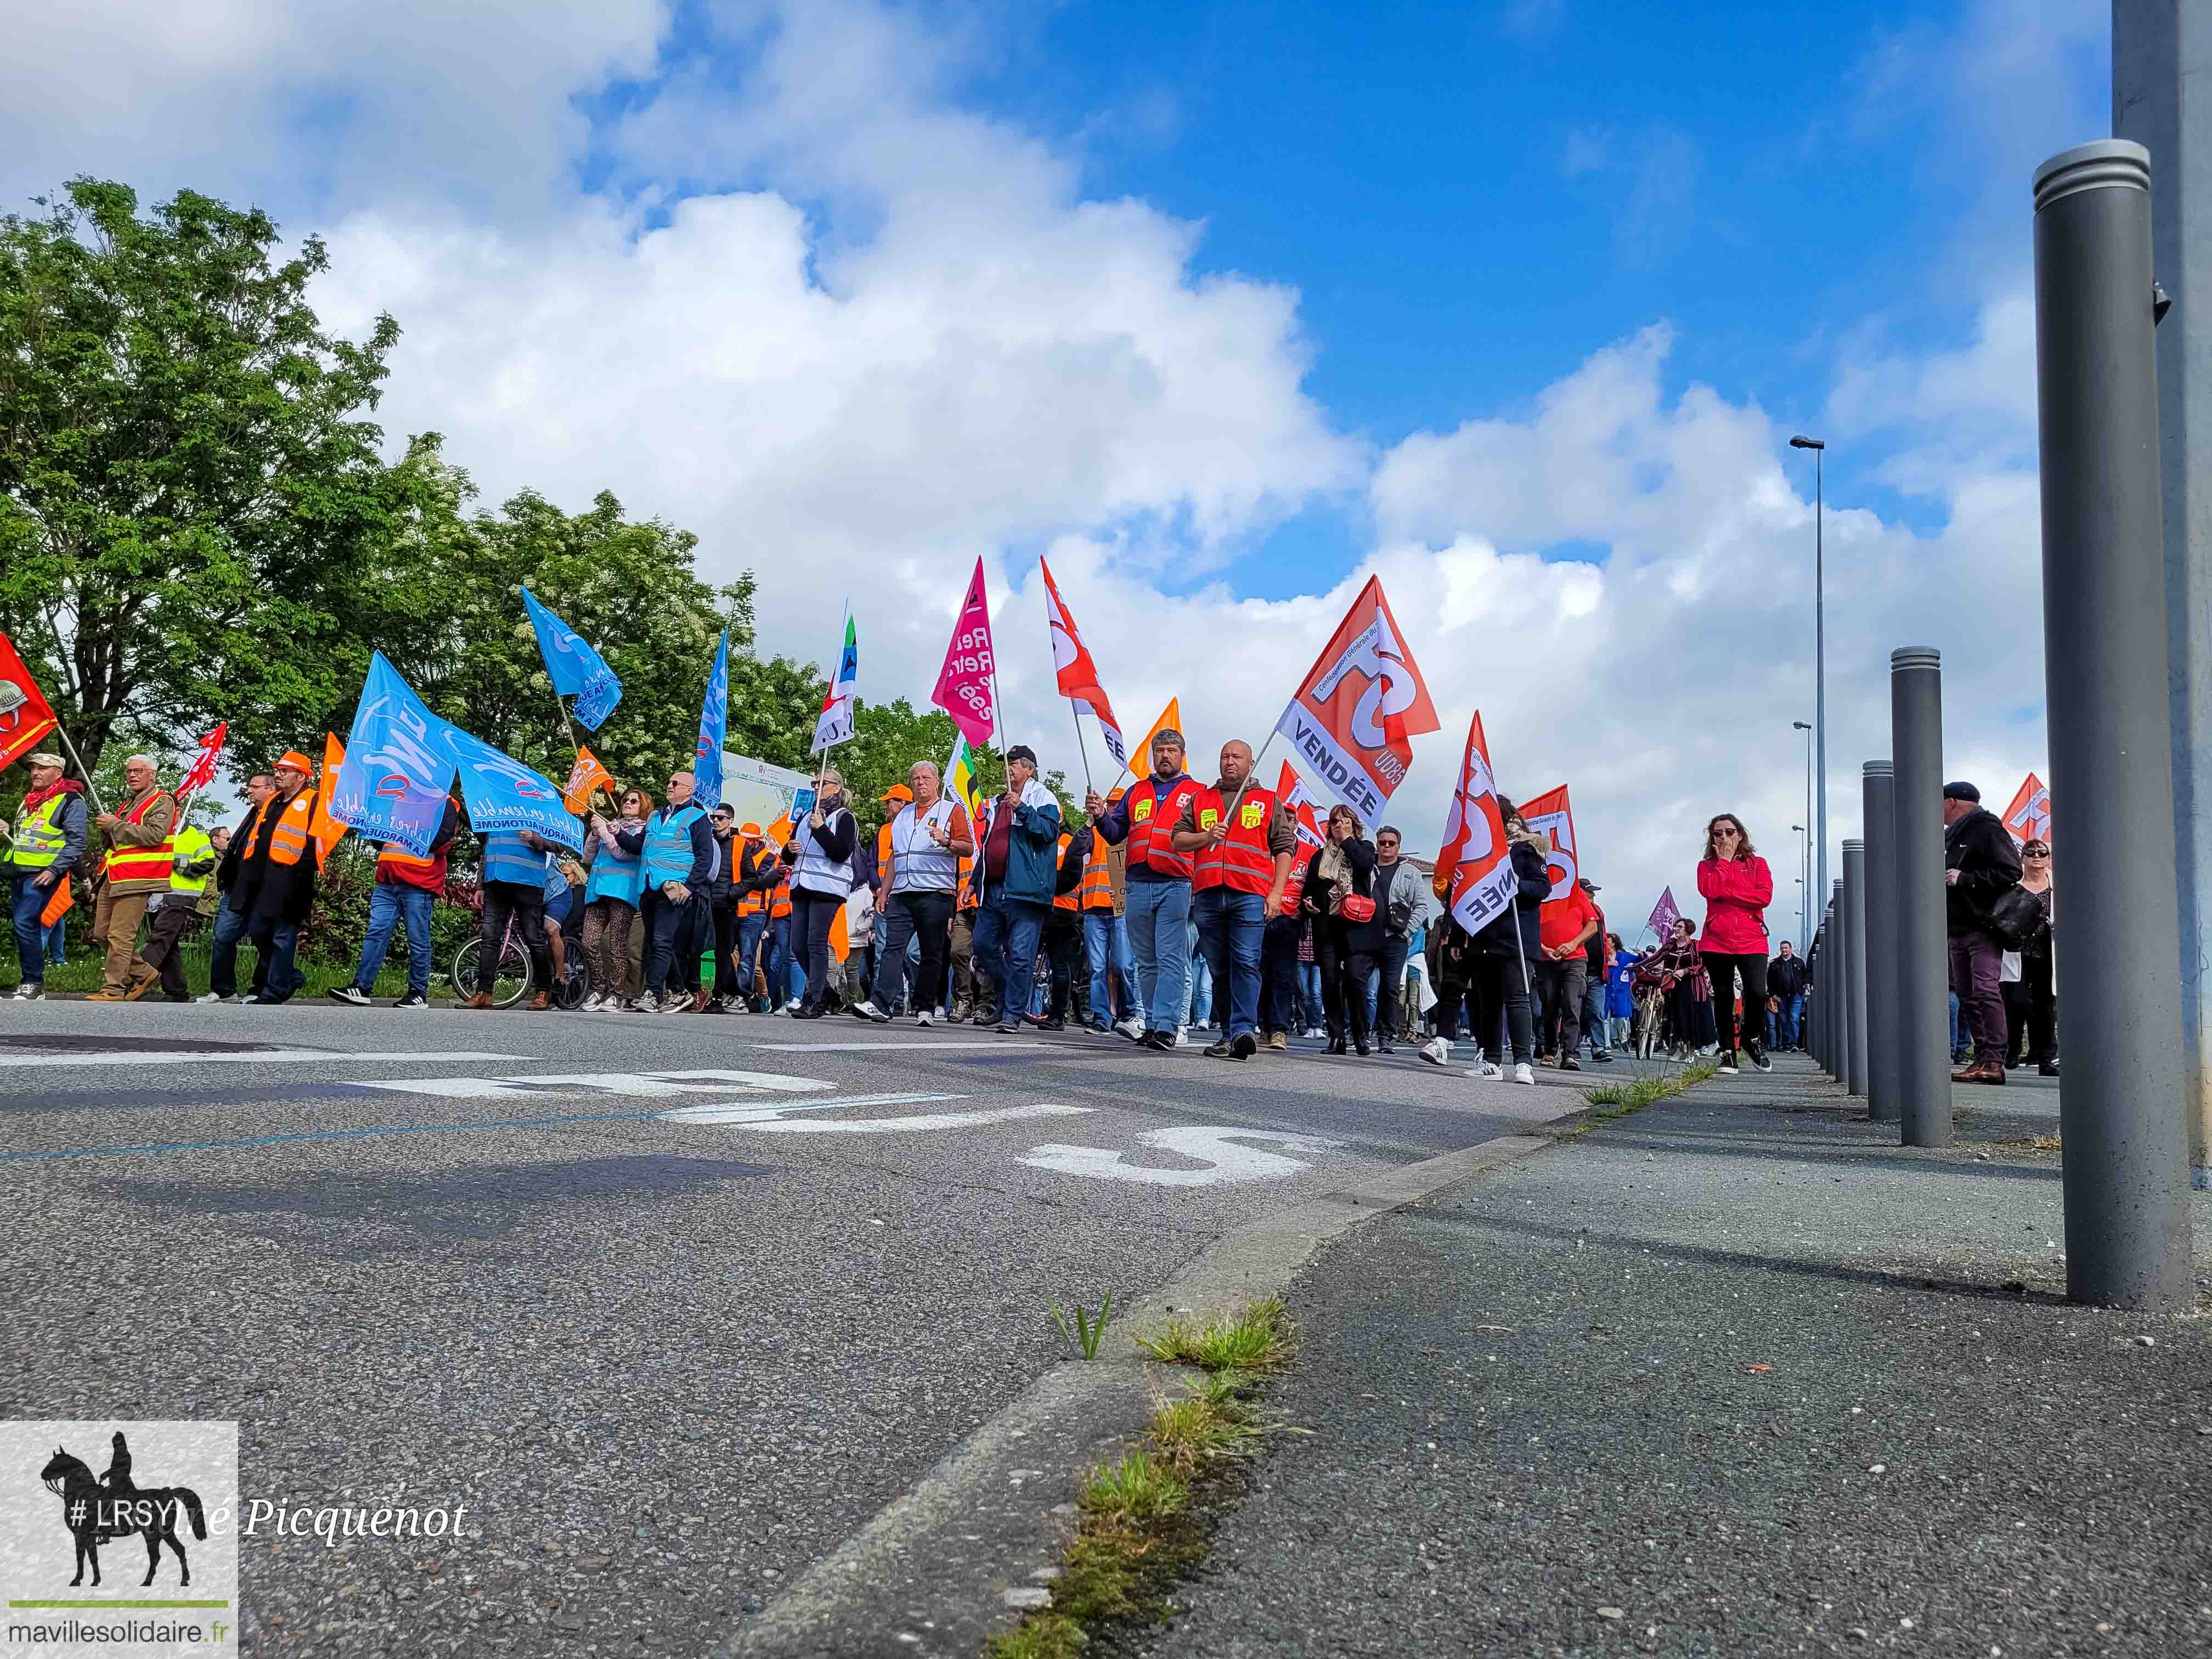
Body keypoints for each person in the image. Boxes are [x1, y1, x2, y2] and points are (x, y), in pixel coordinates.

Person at [1174, 740, 1296, 1060]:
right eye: (1224, 756)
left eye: (1236, 757)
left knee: (1245, 961)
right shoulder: (1202, 799)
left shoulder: (1268, 800)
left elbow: (1285, 848)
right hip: (1209, 896)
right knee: (1218, 967)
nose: (1229, 762)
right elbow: (1178, 840)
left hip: (1250, 895)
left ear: (1250, 764)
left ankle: (1243, 1029)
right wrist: (1206, 836)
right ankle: (1228, 1035)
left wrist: (1277, 893)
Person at [1086, 726, 1204, 1049]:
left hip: (1176, 884)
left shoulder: (1197, 792)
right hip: (1137, 884)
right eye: (1160, 750)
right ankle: (1152, 1023)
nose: (1165, 756)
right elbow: (1114, 833)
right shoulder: (1136, 791)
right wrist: (1099, 816)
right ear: (1153, 755)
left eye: (1172, 750)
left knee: (1170, 959)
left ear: (1182, 755)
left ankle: (1168, 1026)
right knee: (1146, 961)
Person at [1424, 795, 1549, 1082]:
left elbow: (1543, 888)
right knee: (1488, 1001)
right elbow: (1461, 897)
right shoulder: (1478, 852)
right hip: (1482, 936)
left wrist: (1517, 884)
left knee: (1517, 998)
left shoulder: (1527, 847)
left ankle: (1523, 1064)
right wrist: (1456, 937)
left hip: (1515, 936)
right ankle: (1492, 1061)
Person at [856, 760, 972, 1026]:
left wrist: (948, 842)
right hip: (901, 893)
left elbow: (967, 848)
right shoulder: (904, 816)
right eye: (916, 779)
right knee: (891, 949)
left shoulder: (951, 811)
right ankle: (881, 1004)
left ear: (937, 782)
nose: (921, 782)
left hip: (936, 893)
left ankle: (926, 1008)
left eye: (926, 778)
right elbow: (896, 857)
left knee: (931, 952)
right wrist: (883, 893)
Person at [330, 789, 461, 1009]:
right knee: (376, 933)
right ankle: (361, 988)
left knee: (418, 939)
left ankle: (418, 993)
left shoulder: (445, 802)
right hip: (388, 881)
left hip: (420, 881)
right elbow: (378, 840)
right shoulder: (394, 798)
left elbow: (443, 841)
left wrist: (404, 831)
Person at [970, 746, 1063, 1036]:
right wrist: (974, 881)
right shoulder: (998, 803)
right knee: (983, 946)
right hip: (994, 887)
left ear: (1030, 769)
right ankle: (1009, 998)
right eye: (1006, 764)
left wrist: (1022, 808)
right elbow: (989, 846)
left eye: (1014, 764)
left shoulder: (1044, 797)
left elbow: (1048, 832)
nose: (1008, 769)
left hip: (1026, 891)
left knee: (1021, 955)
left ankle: (1011, 1014)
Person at [611, 771, 714, 1014]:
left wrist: (689, 887)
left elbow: (705, 857)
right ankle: (679, 992)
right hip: (648, 887)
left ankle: (654, 993)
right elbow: (640, 847)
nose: (669, 785)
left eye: (675, 783)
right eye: (669, 782)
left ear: (689, 790)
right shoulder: (656, 815)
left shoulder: (697, 817)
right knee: (657, 943)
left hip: (674, 889)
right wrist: (619, 834)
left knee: (661, 941)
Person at [1943, 781, 2023, 1085]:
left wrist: (1966, 878)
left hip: (1983, 925)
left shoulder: (1986, 827)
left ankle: (1993, 1059)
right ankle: (1981, 1059)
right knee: (1967, 993)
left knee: (1984, 990)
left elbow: (2011, 871)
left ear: (1952, 802)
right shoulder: (1954, 834)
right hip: (1959, 925)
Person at [85, 753, 178, 1001]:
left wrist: (115, 825)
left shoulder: (162, 801)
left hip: (139, 876)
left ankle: (114, 989)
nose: (132, 775)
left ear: (153, 775)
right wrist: (108, 829)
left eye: (138, 771)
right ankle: (144, 972)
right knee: (101, 933)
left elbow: (155, 836)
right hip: (114, 875)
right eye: (129, 771)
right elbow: (119, 840)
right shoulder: (129, 803)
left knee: (120, 936)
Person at [1696, 811, 1774, 1075]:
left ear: (1739, 834)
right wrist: (1725, 864)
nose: (1724, 838)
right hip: (1717, 939)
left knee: (1756, 992)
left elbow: (1763, 897)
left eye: (1729, 832)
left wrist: (1729, 892)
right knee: (1724, 995)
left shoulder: (1758, 864)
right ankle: (1728, 1051)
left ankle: (1751, 1039)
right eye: (1718, 833)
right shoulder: (1706, 866)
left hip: (1752, 937)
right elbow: (1711, 891)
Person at [6, 751, 87, 1002]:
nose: (36, 773)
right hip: (19, 873)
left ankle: (33, 982)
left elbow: (78, 842)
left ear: (58, 773)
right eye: (33, 768)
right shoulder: (32, 799)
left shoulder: (71, 801)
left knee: (25, 923)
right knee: (23, 926)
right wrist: (7, 829)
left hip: (42, 876)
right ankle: (29, 982)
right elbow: (29, 836)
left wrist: (54, 870)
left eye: (42, 768)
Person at [241, 751, 320, 1006]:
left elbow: (316, 845)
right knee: (258, 932)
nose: (278, 774)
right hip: (263, 880)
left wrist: (300, 876)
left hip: (293, 881)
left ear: (301, 776)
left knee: (283, 937)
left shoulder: (314, 801)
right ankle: (289, 976)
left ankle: (273, 991)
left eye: (285, 771)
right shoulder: (274, 801)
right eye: (277, 769)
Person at [782, 769, 859, 1019]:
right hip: (802, 886)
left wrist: (822, 829)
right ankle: (825, 991)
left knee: (816, 941)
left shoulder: (844, 818)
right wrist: (789, 849)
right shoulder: (805, 816)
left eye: (822, 783)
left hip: (827, 888)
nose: (816, 787)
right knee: (797, 944)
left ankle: (814, 997)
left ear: (836, 787)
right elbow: (790, 856)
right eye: (815, 783)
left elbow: (840, 853)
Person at [1305, 804, 1379, 1056]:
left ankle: (1360, 1034)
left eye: (1344, 822)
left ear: (1354, 825)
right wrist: (1309, 903)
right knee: (1330, 981)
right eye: (1335, 822)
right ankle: (1336, 1036)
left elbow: (1365, 865)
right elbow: (1309, 888)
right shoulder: (1319, 856)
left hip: (1356, 928)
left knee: (1355, 980)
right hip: (1327, 926)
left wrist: (1348, 840)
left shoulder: (1364, 848)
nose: (1339, 826)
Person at [463, 820, 558, 1012]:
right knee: (490, 938)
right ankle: (484, 992)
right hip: (496, 883)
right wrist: (480, 885)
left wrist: (536, 839)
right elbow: (487, 850)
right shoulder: (495, 811)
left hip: (528, 883)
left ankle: (543, 991)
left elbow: (558, 845)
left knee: (534, 938)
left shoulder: (539, 812)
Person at [201, 772, 276, 1003]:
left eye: (255, 787)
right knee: (223, 936)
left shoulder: (278, 814)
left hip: (263, 888)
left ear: (271, 789)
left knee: (263, 939)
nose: (249, 791)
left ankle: (260, 989)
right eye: (249, 787)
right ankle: (224, 991)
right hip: (237, 887)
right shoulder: (252, 814)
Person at [578, 786, 650, 1012]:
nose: (628, 803)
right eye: (626, 800)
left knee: (617, 945)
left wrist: (606, 831)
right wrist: (594, 833)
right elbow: (587, 857)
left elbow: (623, 853)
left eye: (634, 801)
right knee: (589, 941)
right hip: (597, 892)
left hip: (622, 892)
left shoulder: (643, 829)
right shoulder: (610, 826)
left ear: (644, 806)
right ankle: (598, 989)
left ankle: (616, 994)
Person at [1077, 798, 1142, 1037]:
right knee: (1096, 968)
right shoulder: (1094, 831)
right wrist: (1087, 824)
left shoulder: (1132, 836)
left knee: (1124, 964)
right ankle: (1101, 1017)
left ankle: (1128, 1014)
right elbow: (1076, 850)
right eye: (1111, 805)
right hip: (1095, 908)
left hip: (1121, 909)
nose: (1114, 810)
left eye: (1118, 805)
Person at [1532, 870, 1599, 1070]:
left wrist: (1573, 943)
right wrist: (1543, 947)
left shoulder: (1576, 893)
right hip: (1546, 958)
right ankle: (1550, 1049)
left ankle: (1570, 1053)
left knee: (1572, 1004)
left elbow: (1592, 926)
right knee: (1549, 1006)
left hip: (1575, 958)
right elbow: (1529, 924)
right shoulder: (1539, 892)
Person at [1372, 825, 1428, 1056]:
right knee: (1358, 981)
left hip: (1395, 938)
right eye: (1383, 842)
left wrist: (1407, 932)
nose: (1386, 846)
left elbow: (1422, 906)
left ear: (1398, 846)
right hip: (1367, 936)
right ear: (1377, 844)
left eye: (1391, 843)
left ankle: (1386, 1035)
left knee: (1390, 988)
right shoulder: (1368, 867)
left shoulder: (1410, 872)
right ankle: (1358, 1030)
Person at [2005, 838, 2058, 1076]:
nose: (2036, 856)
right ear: (2022, 858)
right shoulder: (2012, 886)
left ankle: (2046, 1057)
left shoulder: (2058, 885)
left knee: (2045, 1005)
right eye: (2031, 852)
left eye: (2042, 853)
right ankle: (2013, 1047)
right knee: (2016, 1001)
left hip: (2048, 952)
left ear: (2048, 859)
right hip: (2018, 950)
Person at [1259, 830, 1309, 1052]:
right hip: (1260, 918)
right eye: (1284, 818)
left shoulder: (1308, 852)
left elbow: (1315, 885)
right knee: (1259, 975)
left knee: (1284, 977)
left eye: (1293, 819)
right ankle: (1264, 1026)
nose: (1289, 823)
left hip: (1290, 920)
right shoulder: (1262, 846)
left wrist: (1306, 910)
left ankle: (1280, 1029)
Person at [1643, 916, 1709, 1058]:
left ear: (1688, 930)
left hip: (1692, 986)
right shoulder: (1670, 945)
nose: (1676, 929)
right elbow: (1657, 957)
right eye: (1675, 927)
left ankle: (1691, 1048)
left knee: (1690, 1017)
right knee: (1675, 1016)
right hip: (1673, 985)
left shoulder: (1696, 945)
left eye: (1680, 927)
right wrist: (1641, 964)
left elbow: (1703, 965)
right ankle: (1679, 1047)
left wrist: (1685, 971)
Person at [1765, 939, 1806, 1052]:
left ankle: (1793, 1043)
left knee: (1794, 1018)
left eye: (1786, 948)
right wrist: (1772, 994)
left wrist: (1802, 990)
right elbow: (1770, 981)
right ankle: (1785, 1042)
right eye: (1782, 948)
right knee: (1783, 1020)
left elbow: (1804, 976)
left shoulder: (1799, 962)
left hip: (1796, 995)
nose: (1784, 950)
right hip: (1781, 996)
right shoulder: (1775, 964)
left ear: (1790, 949)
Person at [1602, 933, 1638, 1052]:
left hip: (1621, 991)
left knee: (1622, 1018)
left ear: (1613, 943)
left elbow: (1640, 960)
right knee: (1605, 1017)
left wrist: (1641, 954)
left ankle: (1623, 1038)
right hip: (1606, 989)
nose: (1605, 943)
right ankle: (1606, 1043)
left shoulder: (1624, 956)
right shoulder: (1602, 956)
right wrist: (1607, 964)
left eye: (1607, 941)